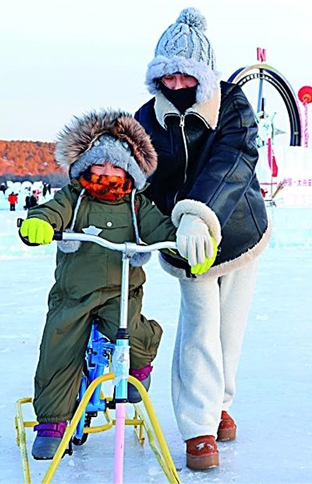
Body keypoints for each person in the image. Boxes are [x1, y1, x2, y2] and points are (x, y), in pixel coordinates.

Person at [135, 7, 271, 470]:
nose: (175, 84)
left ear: (202, 72)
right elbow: (142, 177)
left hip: (236, 229)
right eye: (166, 75)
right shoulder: (146, 118)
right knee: (199, 327)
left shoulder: (232, 103)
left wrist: (200, 214)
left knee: (229, 326)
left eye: (184, 74)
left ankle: (220, 403)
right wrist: (144, 223)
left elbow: (233, 160)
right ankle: (198, 427)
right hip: (183, 239)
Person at [18, 109, 194, 461]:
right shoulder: (74, 197)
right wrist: (39, 224)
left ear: (130, 169)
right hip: (74, 293)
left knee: (130, 332)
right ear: (85, 165)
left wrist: (185, 244)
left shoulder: (136, 204)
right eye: (99, 165)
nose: (107, 173)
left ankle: (138, 367)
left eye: (116, 167)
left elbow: (160, 230)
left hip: (120, 292)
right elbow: (51, 212)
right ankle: (52, 422)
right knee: (59, 346)